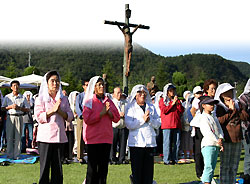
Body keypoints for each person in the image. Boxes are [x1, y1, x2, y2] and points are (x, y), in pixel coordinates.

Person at [34, 71, 73, 184]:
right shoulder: (40, 98)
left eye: (57, 81)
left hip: (59, 137)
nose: (55, 83)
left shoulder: (63, 99)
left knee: (58, 168)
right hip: (45, 138)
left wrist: (60, 111)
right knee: (45, 167)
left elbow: (70, 116)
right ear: (47, 83)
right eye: (52, 81)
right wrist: (52, 111)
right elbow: (39, 117)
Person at [82, 76, 120, 184]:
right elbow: (87, 119)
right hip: (93, 139)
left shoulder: (109, 101)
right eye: (99, 84)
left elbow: (117, 118)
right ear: (94, 87)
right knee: (92, 169)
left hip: (106, 138)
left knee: (103, 169)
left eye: (103, 84)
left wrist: (109, 113)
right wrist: (101, 114)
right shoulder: (89, 101)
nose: (102, 86)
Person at [125, 84, 161, 184]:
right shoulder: (130, 107)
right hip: (136, 143)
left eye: (144, 92)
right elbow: (129, 124)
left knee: (148, 172)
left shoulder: (151, 107)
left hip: (149, 143)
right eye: (139, 92)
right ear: (135, 95)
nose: (142, 94)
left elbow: (158, 123)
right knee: (137, 172)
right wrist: (142, 120)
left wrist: (149, 121)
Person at [215, 83, 249, 184]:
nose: (229, 94)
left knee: (234, 165)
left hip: (237, 138)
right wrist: (230, 110)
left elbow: (245, 117)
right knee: (225, 165)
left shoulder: (238, 104)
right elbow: (219, 121)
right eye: (226, 92)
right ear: (221, 94)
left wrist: (236, 109)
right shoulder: (219, 106)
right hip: (226, 138)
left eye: (230, 92)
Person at [1, 80, 30, 160]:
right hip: (10, 117)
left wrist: (19, 108)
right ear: (11, 87)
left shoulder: (22, 97)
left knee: (18, 137)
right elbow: (3, 108)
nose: (15, 87)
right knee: (9, 136)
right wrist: (10, 107)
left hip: (19, 116)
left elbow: (28, 109)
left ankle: (17, 155)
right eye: (14, 86)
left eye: (17, 86)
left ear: (19, 87)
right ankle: (10, 154)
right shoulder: (7, 97)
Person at [199, 96, 224, 184]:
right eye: (209, 104)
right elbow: (207, 132)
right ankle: (206, 182)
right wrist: (218, 140)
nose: (212, 106)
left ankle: (208, 181)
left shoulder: (213, 116)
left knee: (212, 167)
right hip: (208, 145)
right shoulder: (203, 117)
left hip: (215, 145)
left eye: (213, 104)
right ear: (203, 105)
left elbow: (219, 129)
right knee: (208, 166)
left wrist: (221, 138)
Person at [159, 83, 184, 165]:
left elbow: (181, 111)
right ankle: (166, 159)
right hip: (167, 124)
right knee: (167, 143)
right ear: (167, 92)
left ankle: (175, 158)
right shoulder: (163, 100)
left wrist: (177, 104)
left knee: (177, 143)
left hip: (176, 123)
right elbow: (164, 110)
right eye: (170, 91)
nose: (172, 92)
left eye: (173, 90)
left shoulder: (177, 100)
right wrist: (172, 104)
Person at [110, 87, 129, 165]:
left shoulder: (125, 103)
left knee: (123, 144)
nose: (119, 94)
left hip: (123, 126)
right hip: (114, 126)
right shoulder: (111, 103)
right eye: (117, 93)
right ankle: (112, 159)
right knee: (113, 144)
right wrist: (118, 115)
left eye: (120, 92)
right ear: (113, 94)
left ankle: (122, 158)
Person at [190, 86, 204, 178]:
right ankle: (199, 172)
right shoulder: (196, 101)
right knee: (198, 150)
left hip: (203, 125)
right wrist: (196, 119)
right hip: (198, 126)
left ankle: (203, 171)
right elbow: (192, 111)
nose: (199, 94)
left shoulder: (202, 99)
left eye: (200, 92)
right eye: (197, 93)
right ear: (194, 94)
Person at [75, 79, 89, 163]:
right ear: (83, 86)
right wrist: (82, 116)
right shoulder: (80, 96)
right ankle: (79, 157)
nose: (88, 87)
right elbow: (77, 107)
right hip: (81, 118)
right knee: (80, 137)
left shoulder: (92, 96)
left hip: (91, 119)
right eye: (86, 85)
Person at [239, 79, 250, 180]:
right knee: (248, 152)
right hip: (246, 129)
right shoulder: (243, 98)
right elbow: (241, 115)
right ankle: (247, 174)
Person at [181, 91, 193, 159]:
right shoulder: (183, 104)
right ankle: (185, 154)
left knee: (190, 141)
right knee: (185, 141)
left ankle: (191, 154)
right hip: (184, 125)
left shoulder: (192, 105)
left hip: (191, 125)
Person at [68, 91, 79, 156]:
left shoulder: (77, 104)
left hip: (77, 123)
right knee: (73, 137)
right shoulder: (70, 105)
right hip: (71, 123)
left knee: (77, 137)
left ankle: (76, 149)